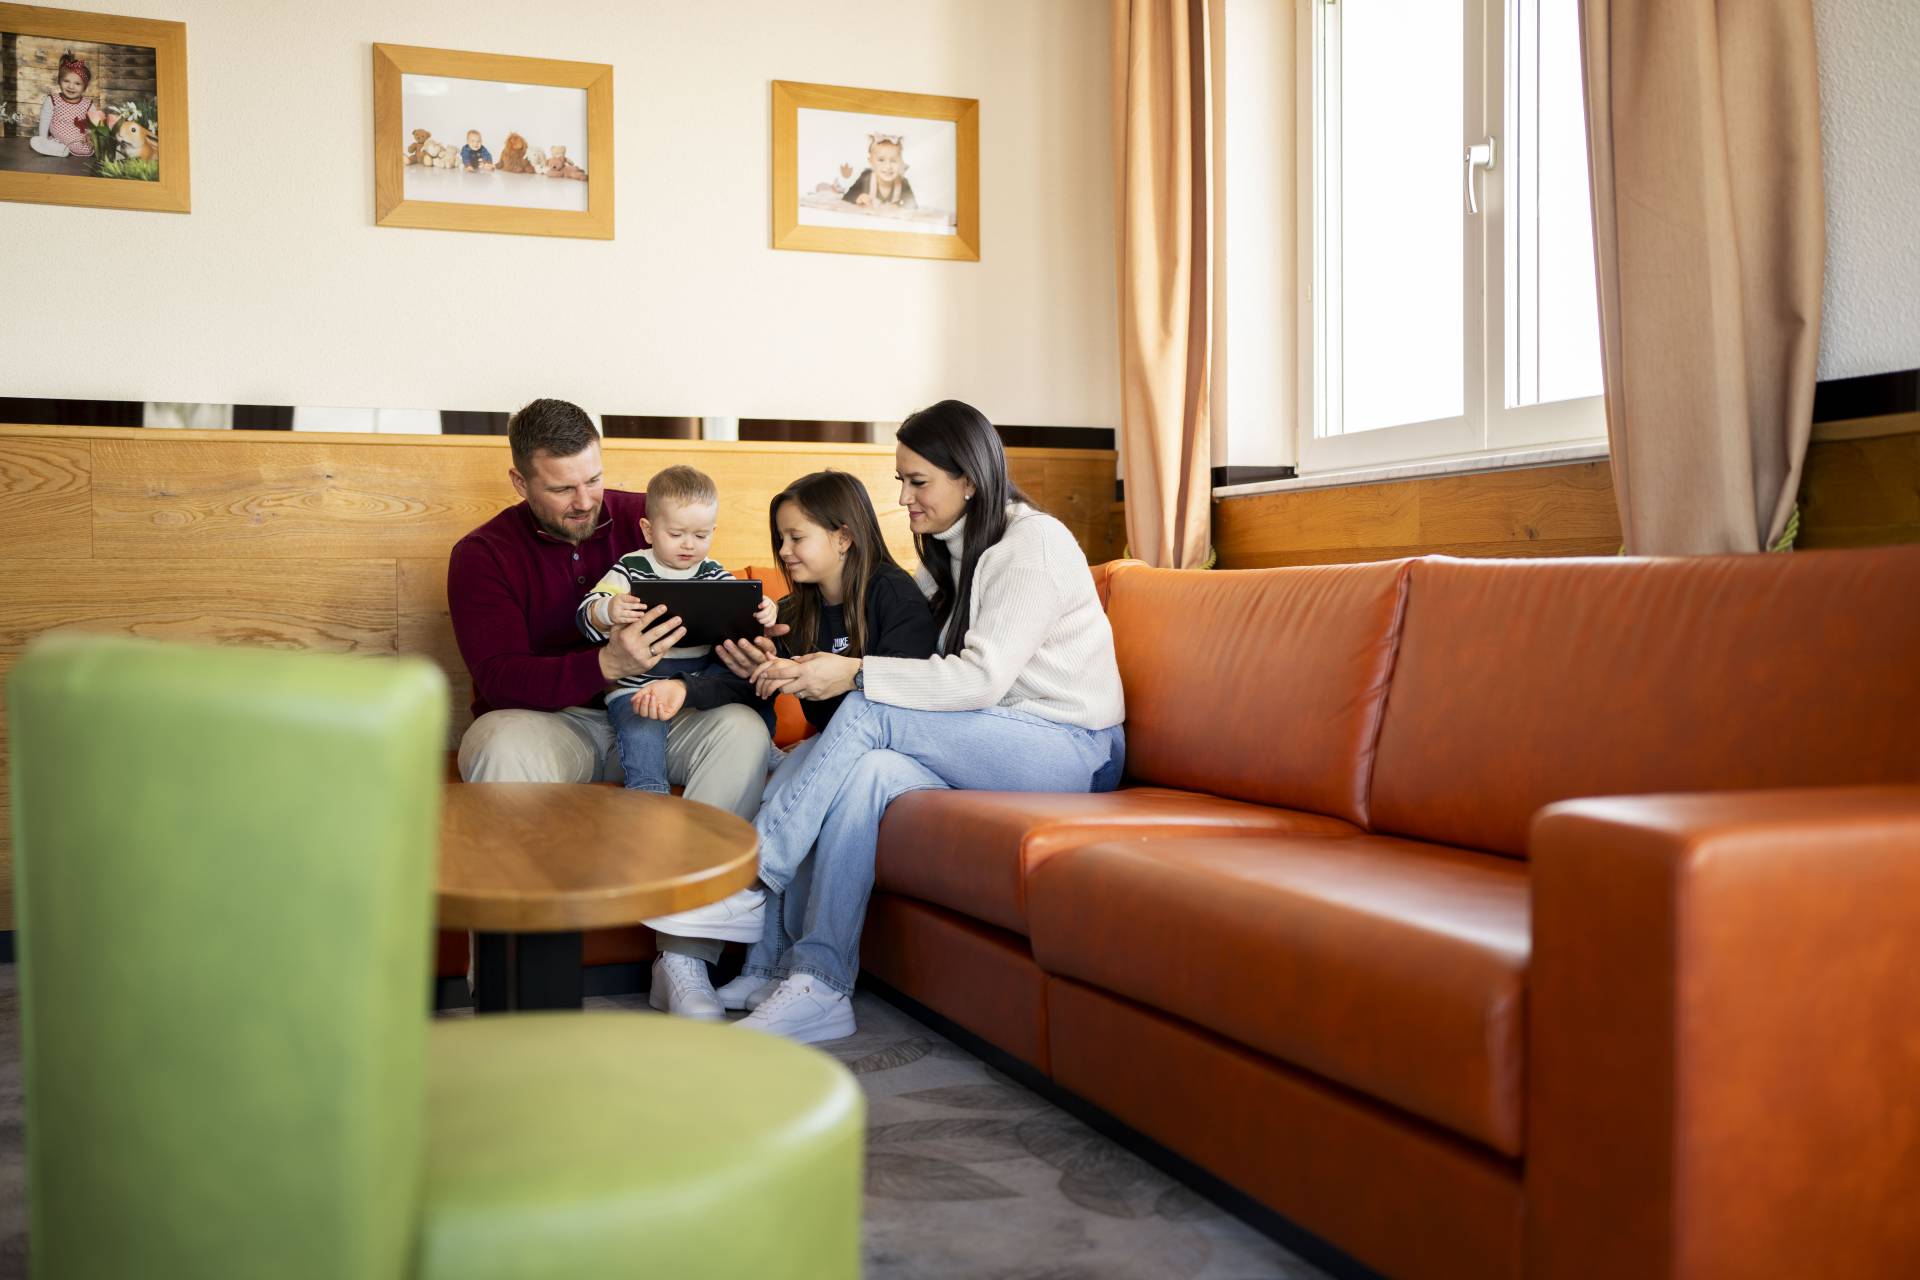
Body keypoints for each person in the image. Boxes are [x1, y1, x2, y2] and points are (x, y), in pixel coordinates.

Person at [644, 401, 1126, 1043]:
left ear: (970, 479)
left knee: (870, 703)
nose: (903, 498)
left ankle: (754, 879)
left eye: (917, 481)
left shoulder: (1032, 543)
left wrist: (853, 673)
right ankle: (820, 981)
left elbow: (979, 679)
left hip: (1072, 747)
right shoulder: (950, 556)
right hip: (993, 736)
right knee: (868, 770)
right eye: (902, 481)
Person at [446, 398, 774, 1019]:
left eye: (593, 478)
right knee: (494, 741)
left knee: (740, 730)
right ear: (520, 481)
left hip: (660, 711)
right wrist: (604, 666)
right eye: (562, 487)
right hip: (555, 723)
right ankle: (519, 982)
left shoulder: (651, 519)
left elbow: (712, 593)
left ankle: (684, 958)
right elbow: (499, 677)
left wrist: (743, 647)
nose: (585, 499)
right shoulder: (482, 555)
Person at [576, 464, 778, 796]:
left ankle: (766, 752)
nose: (688, 546)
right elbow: (587, 613)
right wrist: (608, 610)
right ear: (648, 529)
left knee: (741, 715)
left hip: (692, 687)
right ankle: (648, 789)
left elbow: (742, 607)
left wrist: (765, 608)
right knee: (642, 731)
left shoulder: (711, 571)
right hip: (635, 690)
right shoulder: (632, 567)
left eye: (701, 536)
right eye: (676, 534)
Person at [29, 52, 114, 159]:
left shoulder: (88, 104)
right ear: (59, 81)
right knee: (39, 141)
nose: (71, 86)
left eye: (77, 84)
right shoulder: (53, 99)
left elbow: (96, 124)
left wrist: (91, 135)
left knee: (88, 146)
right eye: (66, 81)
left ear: (84, 87)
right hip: (58, 136)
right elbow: (45, 119)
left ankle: (64, 150)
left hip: (79, 137)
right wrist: (43, 138)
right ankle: (55, 148)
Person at [842, 133, 916, 211]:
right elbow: (846, 198)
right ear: (871, 162)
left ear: (901, 163)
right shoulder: (866, 177)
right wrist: (857, 198)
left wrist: (900, 205)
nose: (888, 166)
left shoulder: (903, 183)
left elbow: (913, 207)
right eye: (881, 160)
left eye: (893, 161)